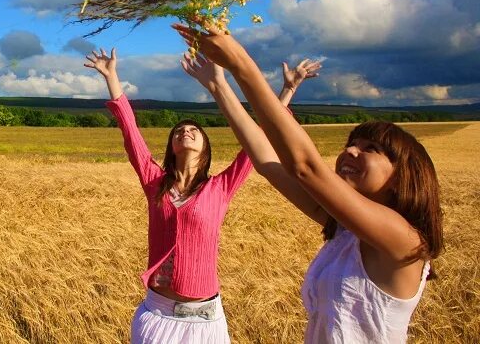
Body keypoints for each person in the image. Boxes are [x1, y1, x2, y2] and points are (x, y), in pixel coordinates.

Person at [173, 22, 443, 343]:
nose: (351, 151)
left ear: (404, 177)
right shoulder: (346, 232)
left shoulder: (405, 243)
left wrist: (242, 64)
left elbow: (306, 168)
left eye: (370, 149)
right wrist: (219, 85)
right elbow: (265, 161)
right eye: (351, 143)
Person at [84, 48, 318, 344]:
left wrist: (288, 89)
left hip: (207, 321)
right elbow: (131, 134)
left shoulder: (220, 187)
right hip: (158, 316)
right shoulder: (154, 182)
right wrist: (112, 77)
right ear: (171, 145)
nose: (186, 131)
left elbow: (257, 143)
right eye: (179, 130)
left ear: (206, 148)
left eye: (194, 129)